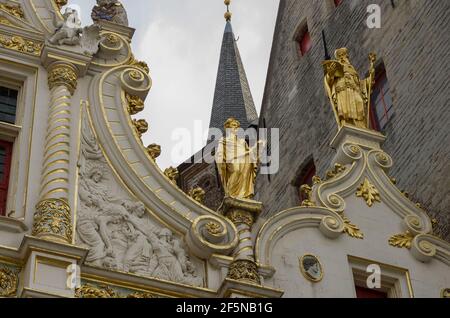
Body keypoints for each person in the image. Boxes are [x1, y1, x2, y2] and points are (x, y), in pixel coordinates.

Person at [215, 118, 265, 199]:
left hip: (245, 160)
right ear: (228, 127)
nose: (236, 128)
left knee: (245, 176)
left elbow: (251, 153)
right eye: (233, 125)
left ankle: (243, 196)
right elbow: (220, 153)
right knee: (236, 171)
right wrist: (221, 162)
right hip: (232, 160)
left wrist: (257, 147)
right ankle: (231, 194)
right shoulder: (223, 140)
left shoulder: (242, 141)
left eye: (237, 126)